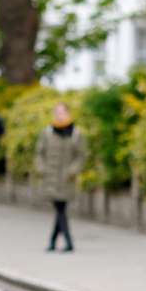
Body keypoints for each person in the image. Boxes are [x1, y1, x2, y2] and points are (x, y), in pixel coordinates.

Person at [34, 102, 87, 253]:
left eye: (62, 112)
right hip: (50, 178)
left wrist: (72, 171)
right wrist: (41, 168)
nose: (59, 115)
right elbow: (39, 153)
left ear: (68, 113)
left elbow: (81, 156)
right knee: (60, 209)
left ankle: (56, 242)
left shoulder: (76, 134)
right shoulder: (47, 132)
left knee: (60, 209)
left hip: (66, 180)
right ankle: (65, 242)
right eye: (57, 112)